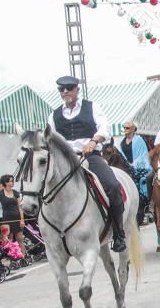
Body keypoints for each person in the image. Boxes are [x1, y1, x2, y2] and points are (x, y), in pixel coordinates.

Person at [47, 75, 127, 252]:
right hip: (66, 160)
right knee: (45, 188)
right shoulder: (53, 115)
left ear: (77, 89)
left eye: (69, 88)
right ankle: (50, 234)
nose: (65, 91)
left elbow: (104, 128)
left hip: (90, 156)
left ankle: (119, 233)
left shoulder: (92, 107)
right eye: (62, 89)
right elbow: (49, 139)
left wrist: (93, 141)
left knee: (113, 186)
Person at [0, 175, 27, 263]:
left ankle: (23, 256)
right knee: (10, 239)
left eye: (12, 181)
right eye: (10, 181)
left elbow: (20, 207)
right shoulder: (0, 193)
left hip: (16, 217)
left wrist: (22, 219)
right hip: (6, 218)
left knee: (20, 238)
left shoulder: (15, 193)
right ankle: (13, 258)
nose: (12, 183)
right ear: (5, 182)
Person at [119, 120, 151, 202]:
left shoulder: (139, 140)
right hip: (127, 166)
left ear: (133, 129)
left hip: (140, 167)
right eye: (124, 127)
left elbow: (143, 155)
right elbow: (121, 155)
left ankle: (145, 201)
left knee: (141, 179)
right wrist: (126, 164)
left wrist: (133, 164)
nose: (125, 129)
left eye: (127, 128)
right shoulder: (122, 142)